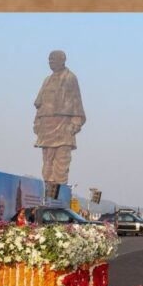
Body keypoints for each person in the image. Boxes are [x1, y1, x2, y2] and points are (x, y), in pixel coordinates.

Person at [34, 50, 86, 185]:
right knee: (47, 160)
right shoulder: (47, 80)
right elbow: (40, 104)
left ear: (63, 61)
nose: (50, 62)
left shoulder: (70, 78)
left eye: (53, 59)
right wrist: (37, 121)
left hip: (64, 124)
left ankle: (59, 192)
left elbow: (76, 101)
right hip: (46, 125)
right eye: (49, 59)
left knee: (62, 160)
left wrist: (76, 121)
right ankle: (48, 189)